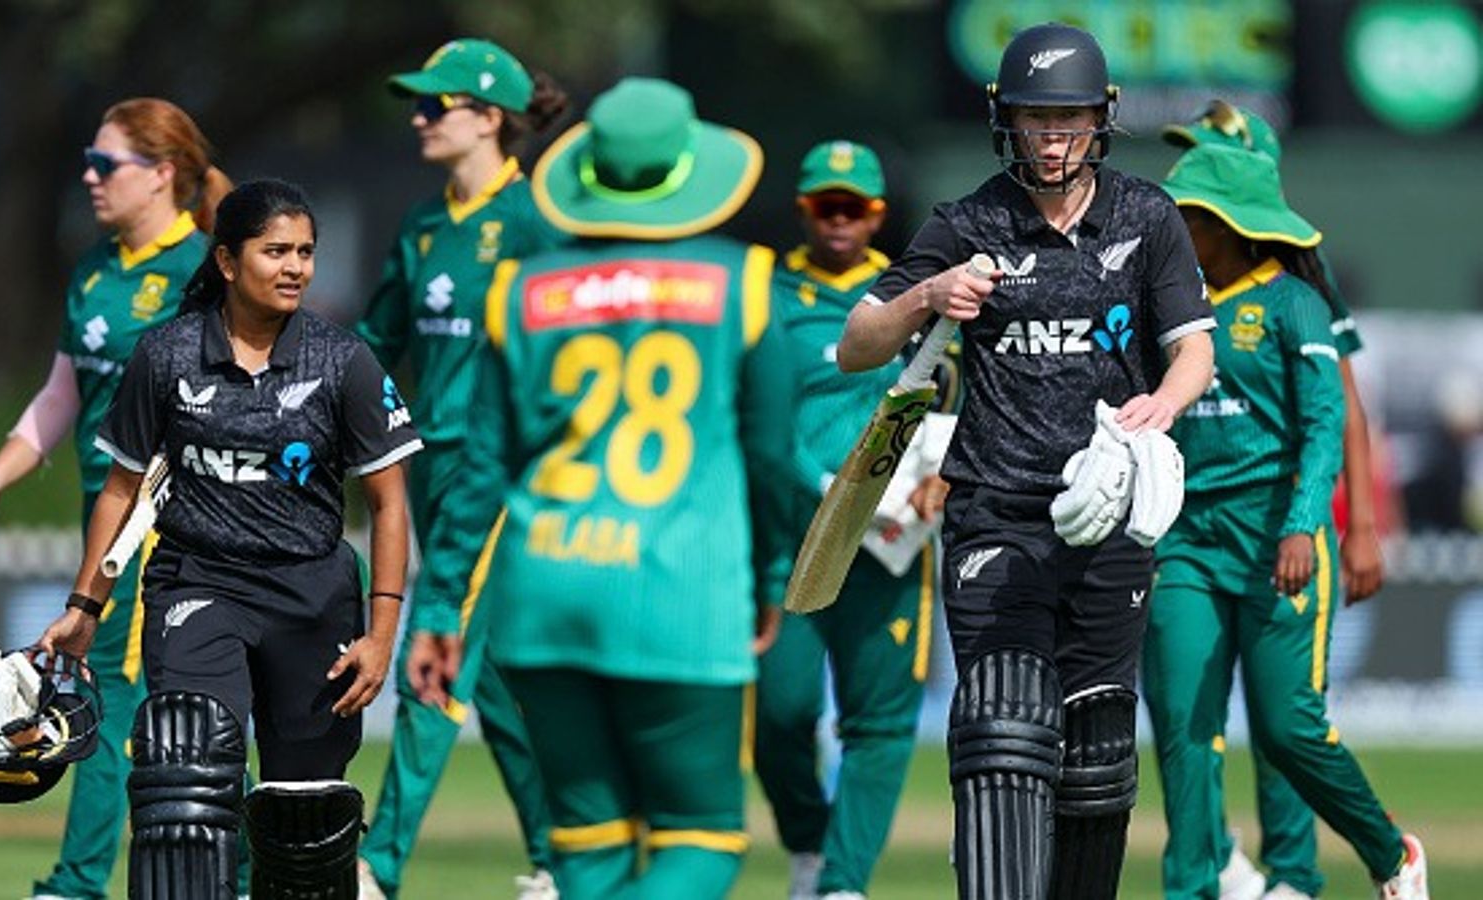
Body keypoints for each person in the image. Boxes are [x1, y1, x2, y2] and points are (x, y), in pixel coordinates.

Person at [836, 22, 1216, 900]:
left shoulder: (1145, 217)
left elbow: (1193, 349)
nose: (1053, 136)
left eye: (1071, 118)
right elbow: (859, 344)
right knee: (1004, 727)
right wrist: (929, 295)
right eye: (1037, 117)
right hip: (997, 515)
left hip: (1112, 513)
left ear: (1101, 118)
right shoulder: (966, 222)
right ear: (1006, 118)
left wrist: (1163, 403)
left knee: (1097, 754)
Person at [407, 76, 794, 899]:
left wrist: (440, 608)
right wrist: (771, 581)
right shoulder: (747, 284)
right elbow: (773, 462)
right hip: (681, 590)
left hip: (544, 592)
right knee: (702, 844)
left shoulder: (521, 290)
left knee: (586, 850)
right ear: (689, 172)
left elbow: (479, 469)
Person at [35, 178, 422, 898]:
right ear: (225, 260)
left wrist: (383, 631)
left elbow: (389, 503)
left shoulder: (345, 361)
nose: (295, 267)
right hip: (199, 584)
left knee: (302, 824)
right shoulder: (165, 355)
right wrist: (86, 608)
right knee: (184, 769)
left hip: (314, 597)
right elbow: (121, 491)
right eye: (275, 250)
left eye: (306, 252)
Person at [0, 97, 231, 900]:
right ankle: (241, 871)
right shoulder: (95, 270)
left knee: (103, 687)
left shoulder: (204, 270)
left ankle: (76, 884)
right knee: (156, 697)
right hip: (99, 513)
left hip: (170, 520)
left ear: (162, 174)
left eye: (107, 164)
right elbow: (59, 396)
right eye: (90, 160)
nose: (90, 176)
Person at [1144, 142, 1429, 900]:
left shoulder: (1293, 303)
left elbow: (1327, 421)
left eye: (1190, 217)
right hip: (1184, 544)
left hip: (1276, 538)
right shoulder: (1165, 301)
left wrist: (1307, 524)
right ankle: (1194, 889)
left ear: (1232, 226)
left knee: (1287, 728)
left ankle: (1388, 853)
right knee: (1183, 729)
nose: (1174, 228)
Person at [352, 37, 567, 900]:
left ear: (488, 118)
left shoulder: (534, 228)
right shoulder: (422, 224)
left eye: (436, 106)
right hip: (423, 475)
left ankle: (377, 866)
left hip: (498, 481)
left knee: (431, 659)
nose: (418, 119)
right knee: (501, 686)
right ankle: (567, 862)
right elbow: (374, 347)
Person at [754, 139, 941, 900]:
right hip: (790, 541)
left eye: (854, 207)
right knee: (779, 712)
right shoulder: (762, 293)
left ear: (877, 214)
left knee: (879, 722)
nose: (839, 221)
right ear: (803, 209)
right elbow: (762, 423)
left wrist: (944, 476)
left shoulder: (913, 293)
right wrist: (830, 491)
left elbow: (952, 398)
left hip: (890, 546)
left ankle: (843, 884)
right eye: (825, 206)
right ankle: (809, 846)